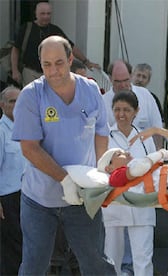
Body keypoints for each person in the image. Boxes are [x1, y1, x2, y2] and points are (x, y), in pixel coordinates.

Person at [11, 35, 115, 275]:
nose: (53, 71)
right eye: (46, 65)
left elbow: (101, 133)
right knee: (34, 266)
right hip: (40, 200)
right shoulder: (30, 96)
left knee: (96, 263)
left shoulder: (90, 90)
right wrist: (65, 180)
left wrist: (100, 175)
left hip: (81, 199)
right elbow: (30, 148)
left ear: (70, 59)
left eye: (59, 62)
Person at [100, 90, 159, 276]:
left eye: (126, 109)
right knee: (111, 259)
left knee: (143, 261)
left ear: (136, 111)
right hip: (114, 204)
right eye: (117, 109)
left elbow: (154, 168)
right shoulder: (105, 137)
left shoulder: (145, 138)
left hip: (142, 204)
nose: (121, 114)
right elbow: (99, 167)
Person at [10, 1, 100, 86]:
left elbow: (71, 47)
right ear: (36, 14)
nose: (46, 16)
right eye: (42, 13)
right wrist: (15, 70)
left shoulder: (55, 30)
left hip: (51, 73)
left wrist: (86, 62)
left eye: (48, 14)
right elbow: (16, 50)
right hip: (30, 72)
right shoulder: (26, 28)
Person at [0, 86, 24, 275]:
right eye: (11, 101)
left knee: (27, 245)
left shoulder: (26, 129)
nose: (16, 105)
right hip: (7, 198)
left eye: (19, 101)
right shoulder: (1, 132)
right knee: (11, 248)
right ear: (2, 105)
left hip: (27, 195)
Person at [103, 60, 162, 132]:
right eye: (118, 81)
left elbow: (157, 128)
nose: (122, 85)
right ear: (110, 78)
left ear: (131, 76)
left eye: (125, 80)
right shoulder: (103, 102)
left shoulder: (146, 95)